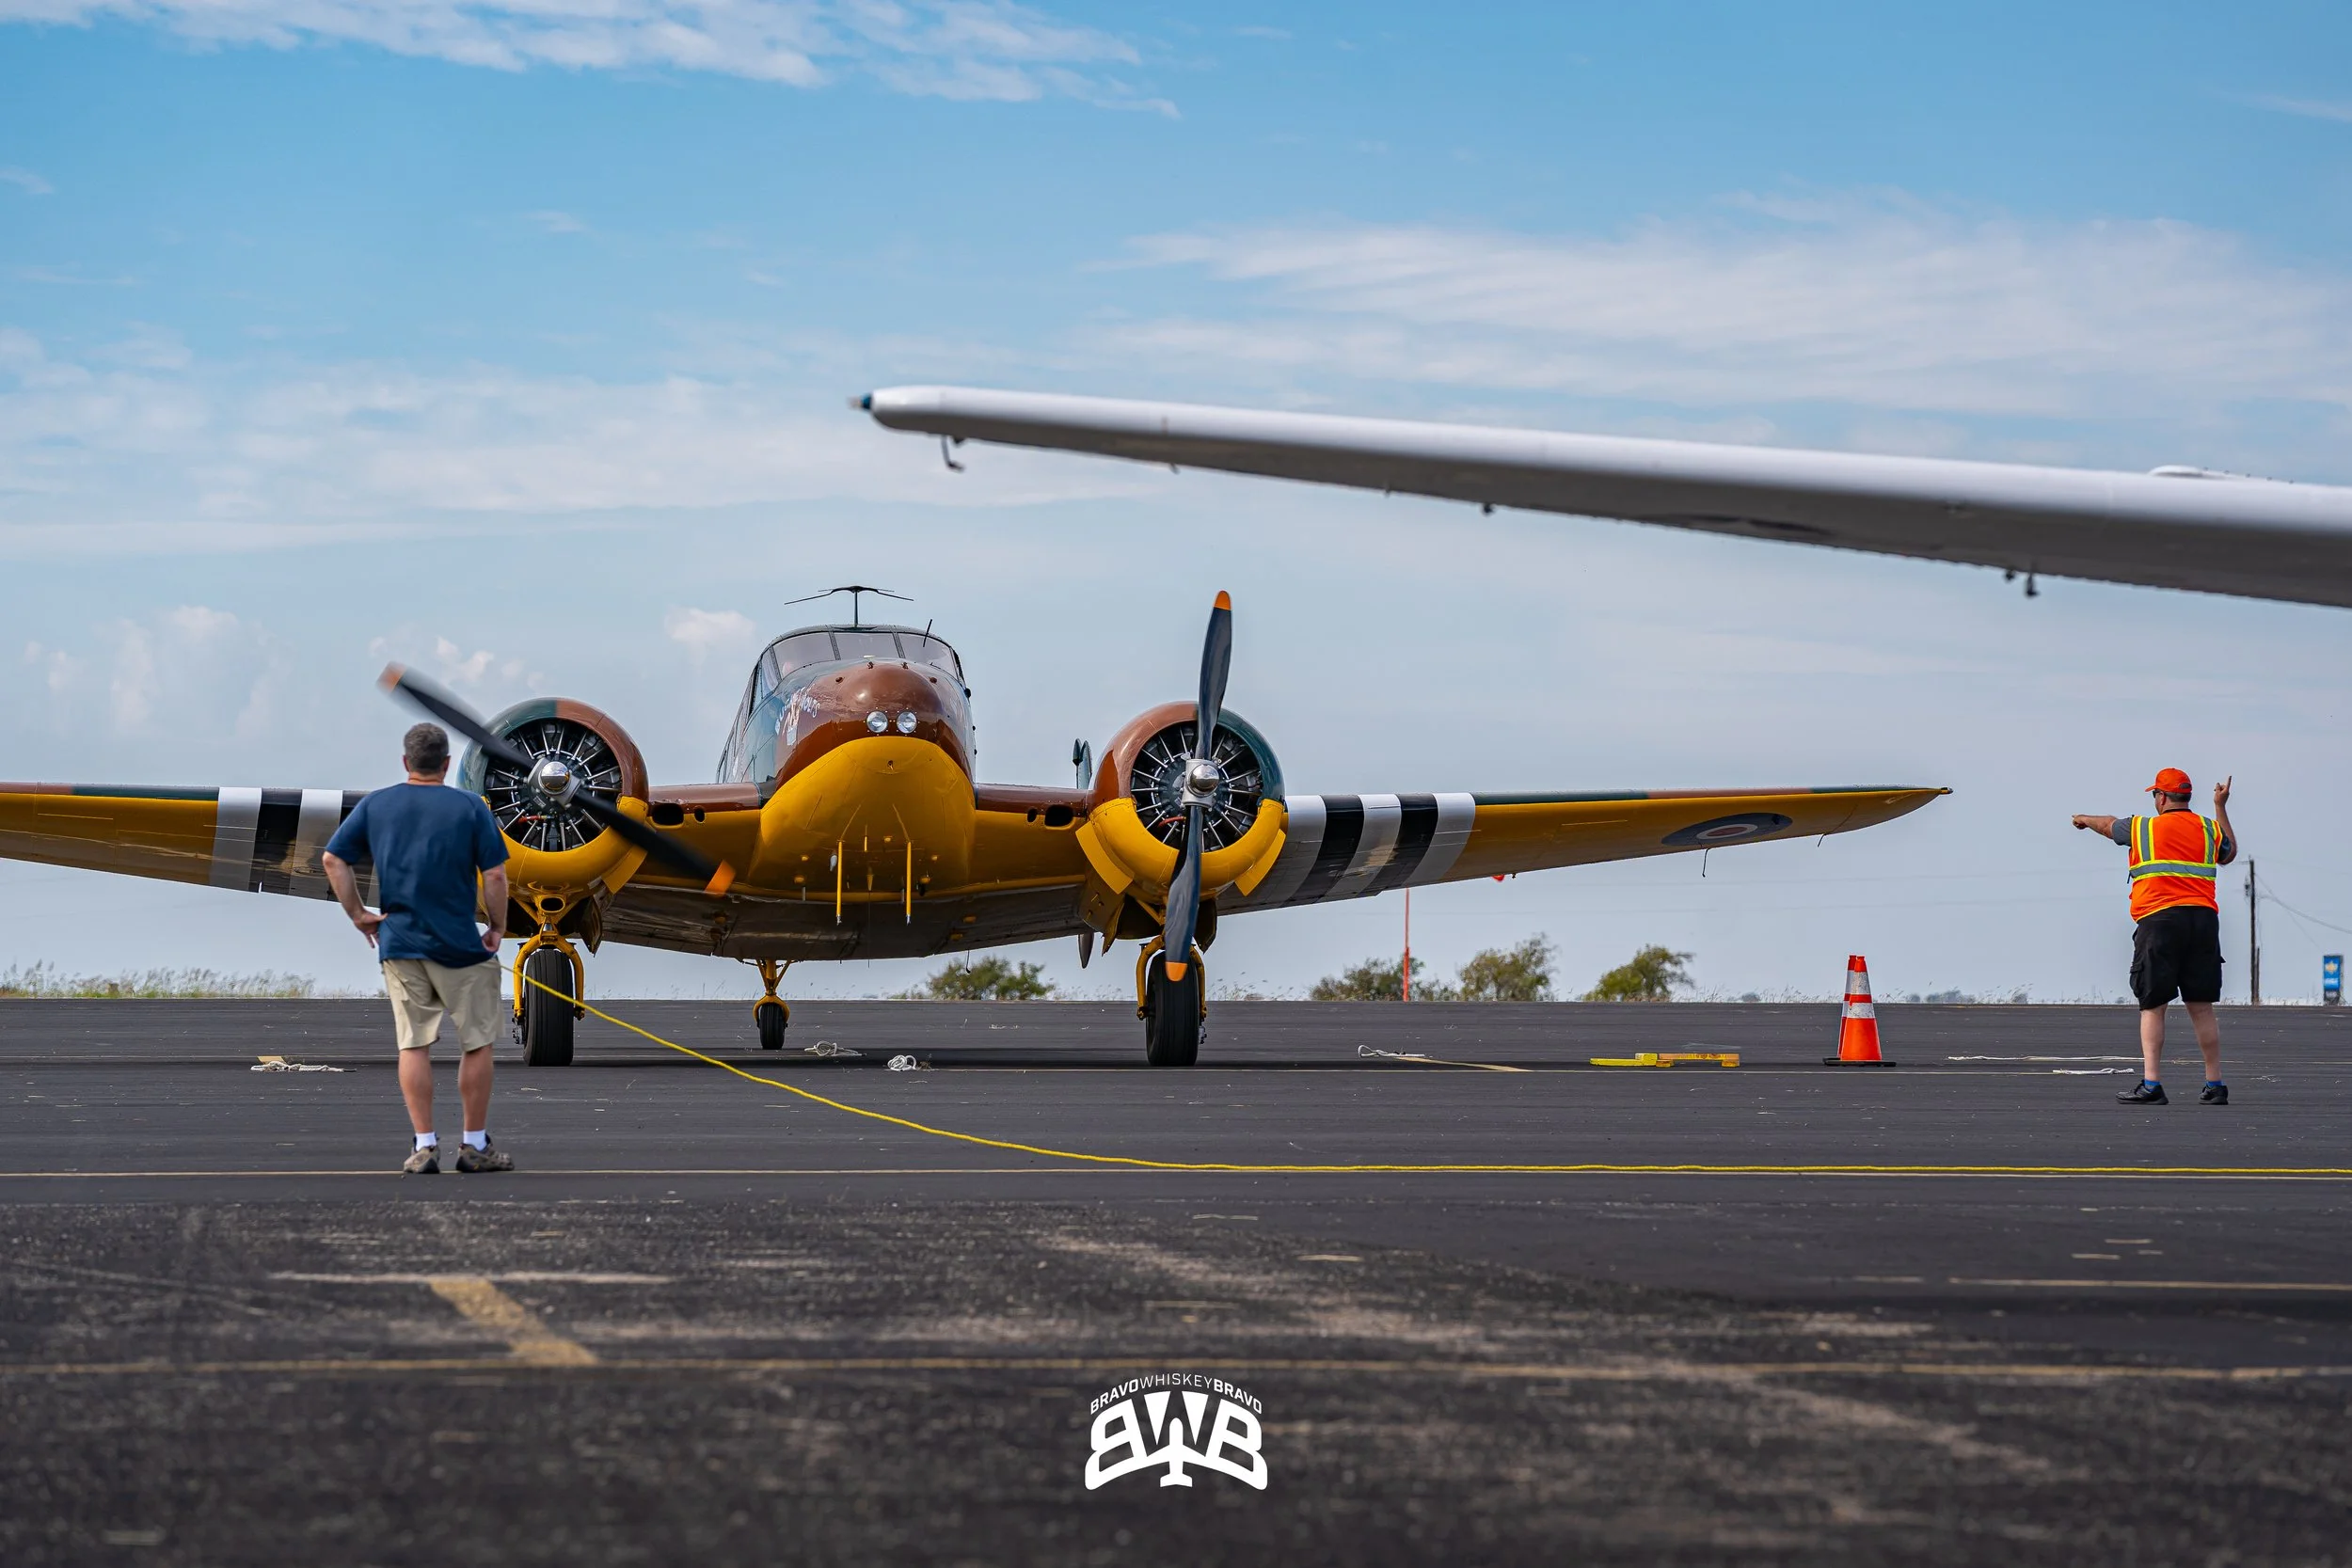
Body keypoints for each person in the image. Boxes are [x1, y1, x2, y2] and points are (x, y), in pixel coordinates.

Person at [321, 721, 515, 1173]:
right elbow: (497, 876)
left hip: (400, 943)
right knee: (478, 1044)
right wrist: (498, 927)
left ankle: (425, 1146)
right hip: (462, 945)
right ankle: (473, 1145)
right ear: (447, 764)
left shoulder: (377, 804)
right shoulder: (471, 806)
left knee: (413, 1045)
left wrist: (358, 914)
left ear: (406, 762)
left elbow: (333, 859)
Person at [2071, 768, 2237, 1106]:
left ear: (2161, 797)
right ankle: (2215, 1084)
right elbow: (2229, 852)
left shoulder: (2143, 827)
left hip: (2160, 922)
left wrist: (2084, 819)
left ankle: (2152, 1084)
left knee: (2153, 1005)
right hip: (2203, 921)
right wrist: (2220, 806)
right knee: (2201, 1007)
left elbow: (2109, 825)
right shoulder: (2208, 828)